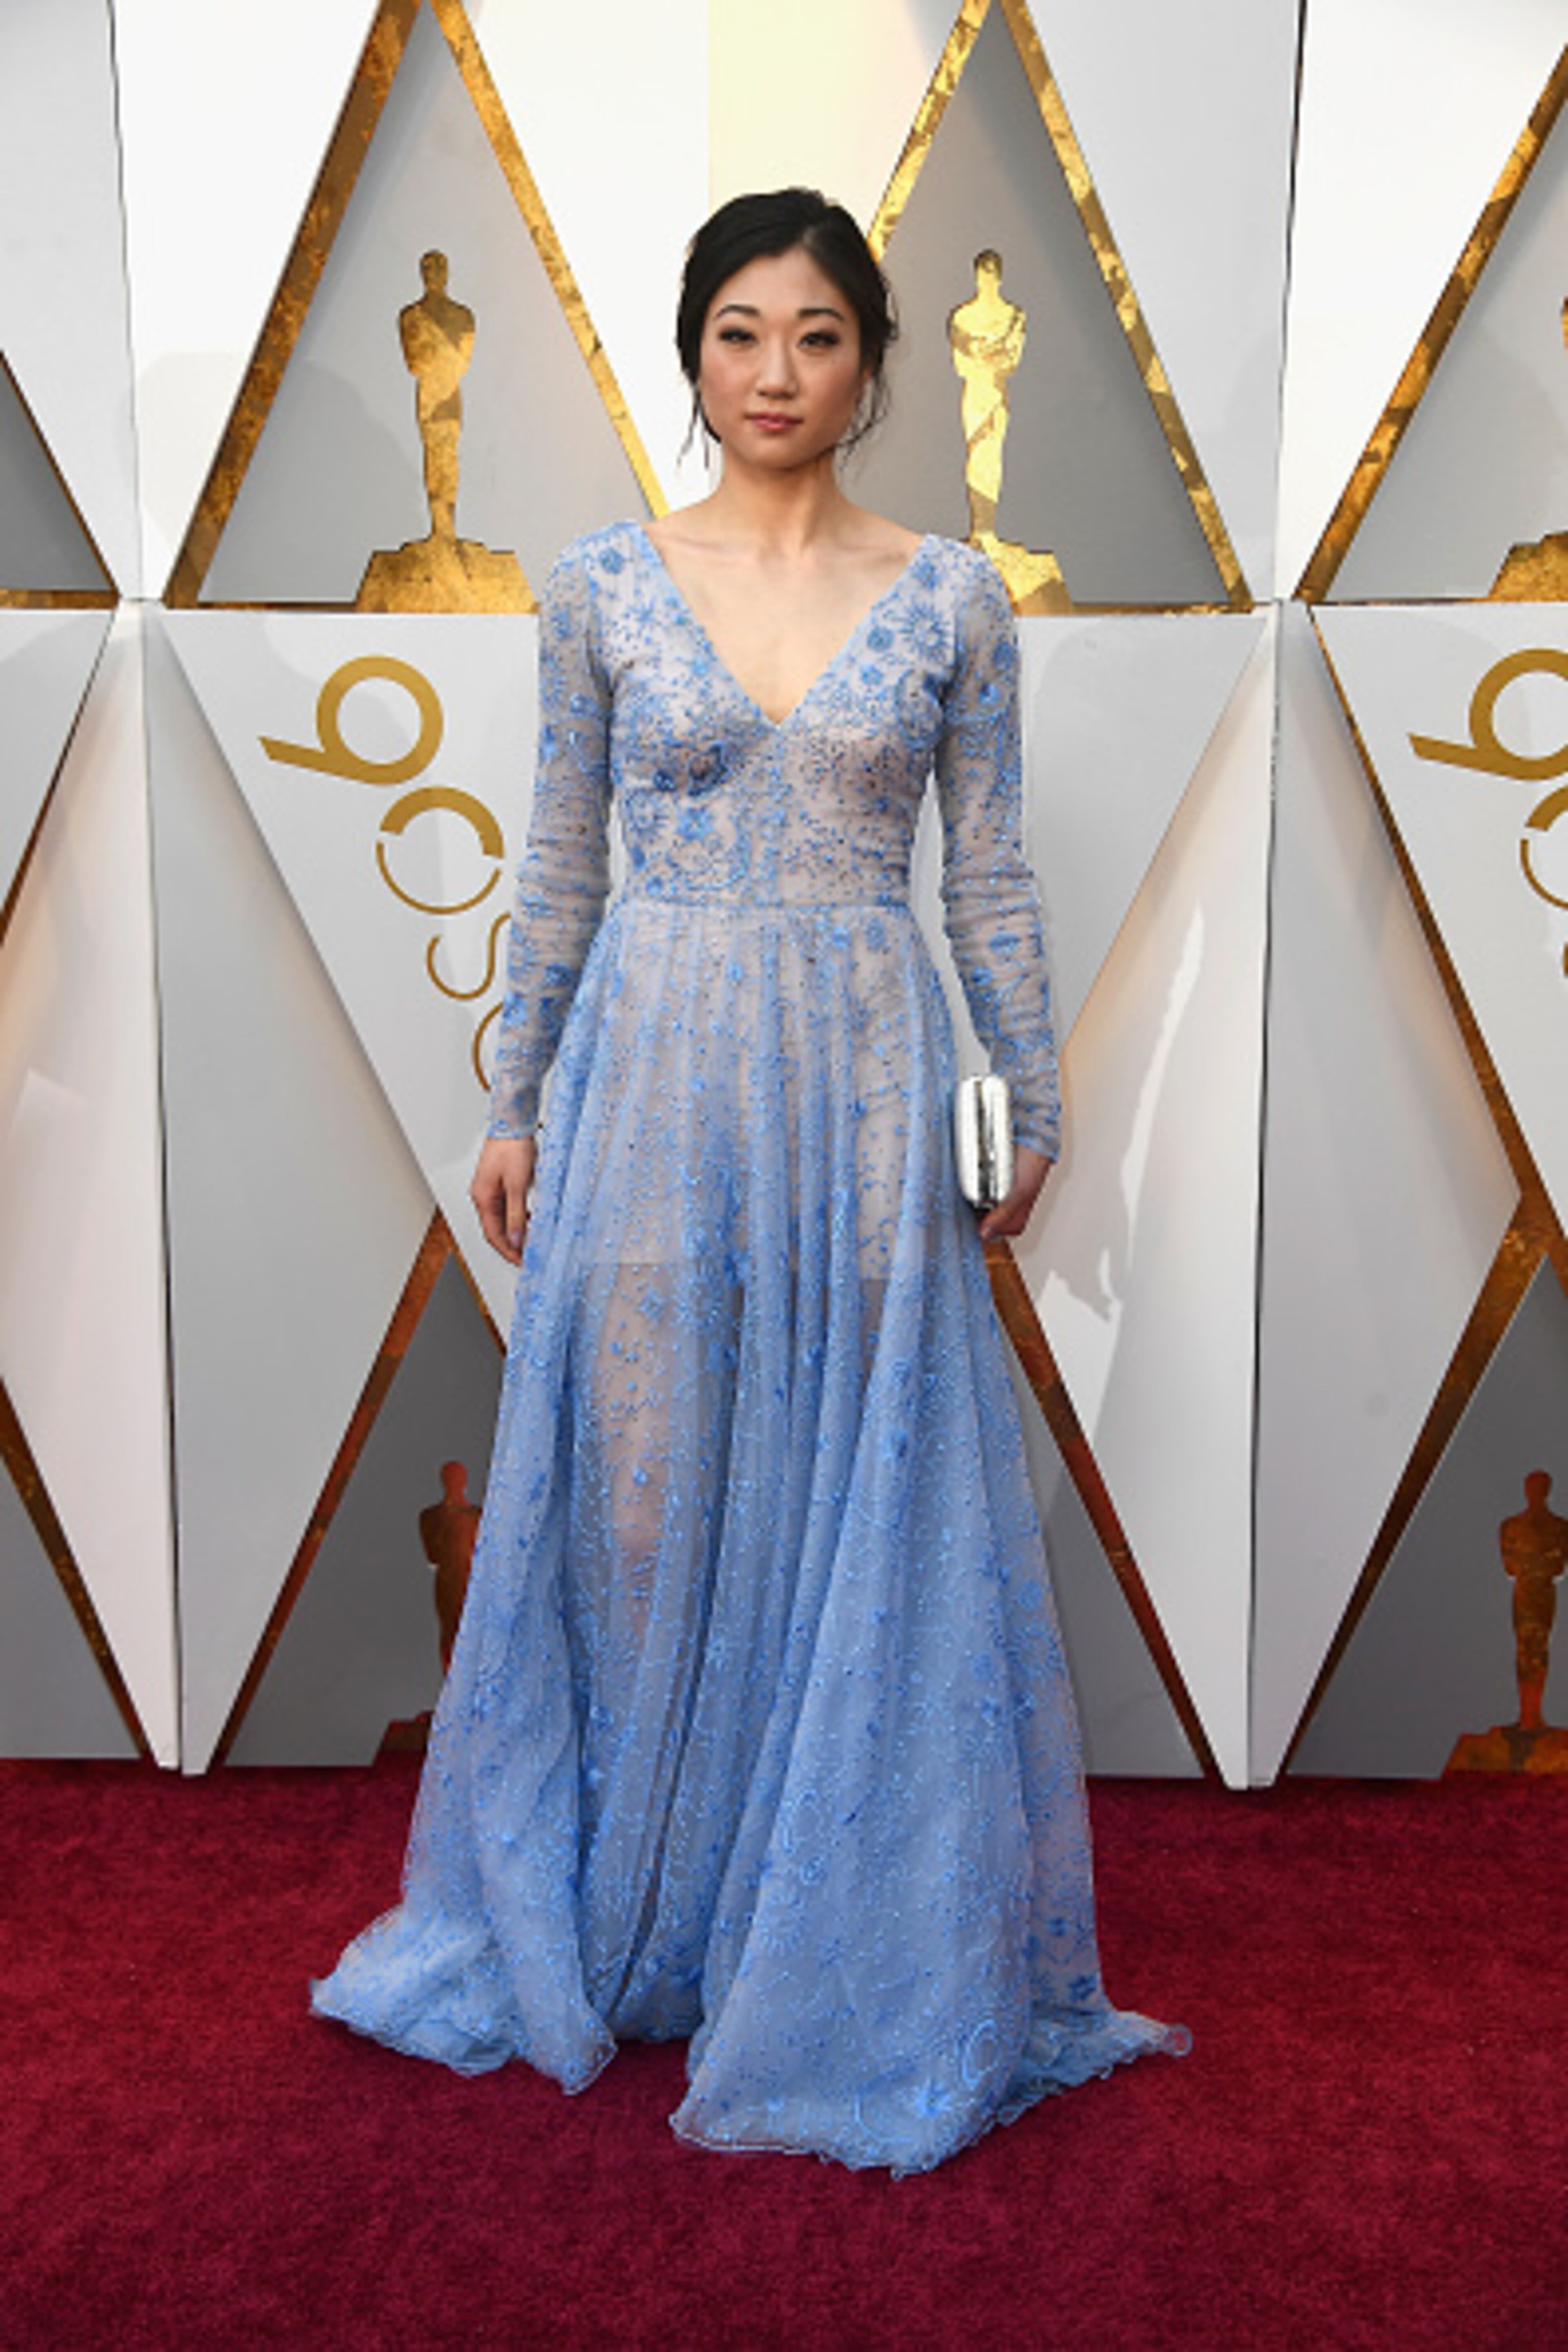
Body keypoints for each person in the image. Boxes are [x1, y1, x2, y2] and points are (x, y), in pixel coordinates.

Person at [312, 187, 1187, 2175]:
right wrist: (516, 1095)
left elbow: (986, 870)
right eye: (737, 332)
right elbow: (556, 865)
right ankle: (642, 1913)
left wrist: (1030, 1099)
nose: (775, 372)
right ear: (689, 352)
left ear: (875, 360)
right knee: (639, 1492)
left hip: (875, 1084)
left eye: (813, 334)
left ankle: (825, 1936)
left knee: (856, 1492)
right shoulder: (601, 583)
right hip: (649, 1073)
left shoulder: (952, 595)